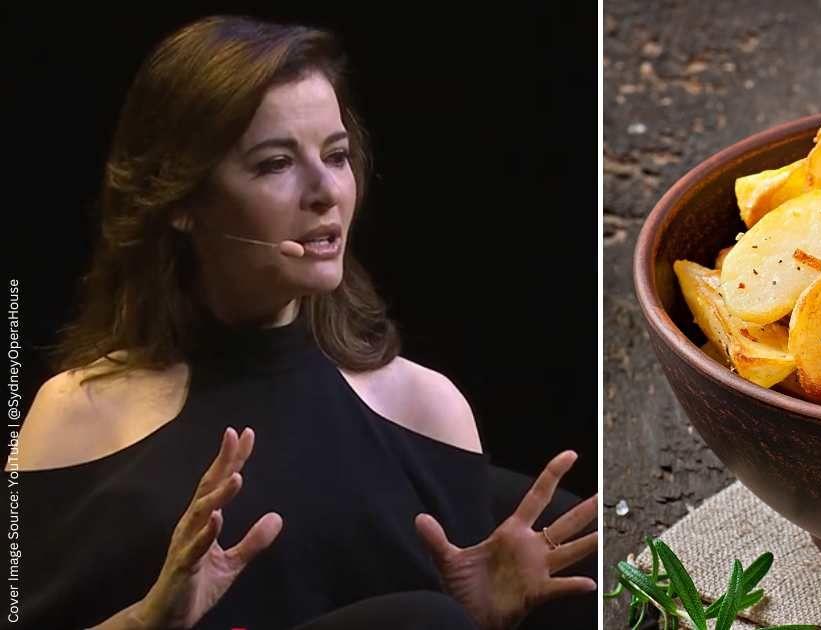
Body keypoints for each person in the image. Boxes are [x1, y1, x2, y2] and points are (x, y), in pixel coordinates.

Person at [8, 14, 597, 630]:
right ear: (180, 198)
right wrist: (145, 621)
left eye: (337, 156)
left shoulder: (425, 408)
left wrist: (480, 620)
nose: (326, 192)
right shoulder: (74, 415)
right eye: (275, 164)